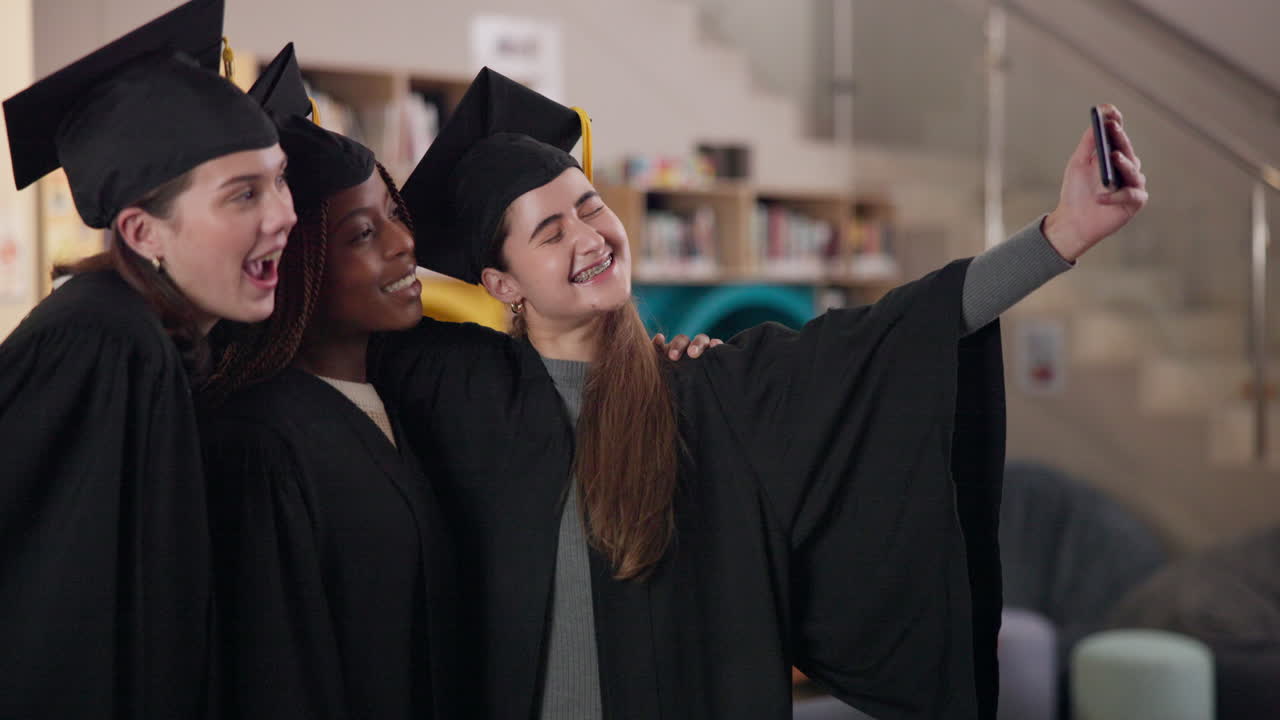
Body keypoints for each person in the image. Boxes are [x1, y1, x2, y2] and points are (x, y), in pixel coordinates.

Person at [372, 68, 1148, 719]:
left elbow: (893, 335)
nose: (588, 238)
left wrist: (1062, 233)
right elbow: (323, 326)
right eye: (549, 233)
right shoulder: (454, 390)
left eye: (591, 207)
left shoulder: (709, 390)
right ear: (502, 283)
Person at [0, 1, 294, 716]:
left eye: (280, 179)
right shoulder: (99, 347)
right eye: (243, 194)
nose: (284, 213)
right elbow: (58, 631)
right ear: (142, 231)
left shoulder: (160, 340)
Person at [197, 44, 458, 719]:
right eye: (362, 234)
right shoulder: (260, 440)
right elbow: (277, 676)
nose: (403, 243)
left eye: (396, 214)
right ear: (293, 264)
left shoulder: (401, 403)